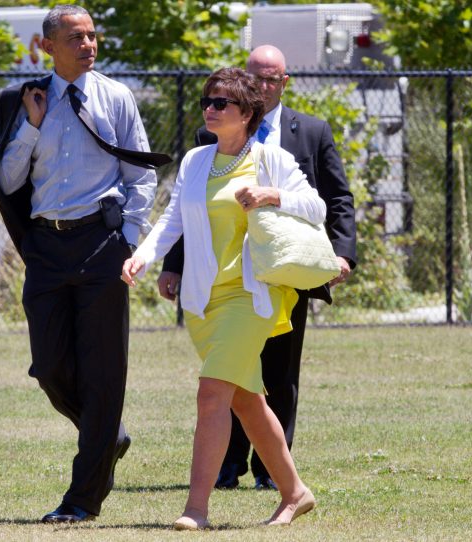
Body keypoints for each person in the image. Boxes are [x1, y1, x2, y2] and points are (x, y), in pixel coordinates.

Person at [122, 67, 318, 529]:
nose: (210, 109)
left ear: (247, 113)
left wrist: (272, 195)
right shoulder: (195, 160)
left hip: (250, 298)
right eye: (208, 101)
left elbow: (317, 207)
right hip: (203, 301)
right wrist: (144, 256)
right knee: (246, 401)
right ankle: (295, 492)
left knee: (211, 394)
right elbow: (173, 219)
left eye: (221, 103)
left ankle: (196, 509)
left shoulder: (271, 160)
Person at [0, 5, 160, 523]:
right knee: (49, 367)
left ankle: (81, 500)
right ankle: (109, 434)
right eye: (75, 37)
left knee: (105, 373)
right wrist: (33, 127)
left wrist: (128, 240)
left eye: (91, 36)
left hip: (101, 245)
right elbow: (9, 180)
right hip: (45, 247)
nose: (88, 45)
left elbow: (142, 175)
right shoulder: (23, 102)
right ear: (47, 46)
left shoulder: (117, 97)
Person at [159, 45, 357, 490]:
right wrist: (170, 264)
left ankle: (267, 476)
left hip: (281, 272)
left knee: (278, 372)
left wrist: (342, 254)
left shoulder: (310, 131)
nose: (264, 86)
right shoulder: (205, 143)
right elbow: (189, 211)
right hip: (219, 281)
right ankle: (233, 468)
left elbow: (334, 199)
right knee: (241, 383)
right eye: (257, 78)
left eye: (272, 79)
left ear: (284, 83)